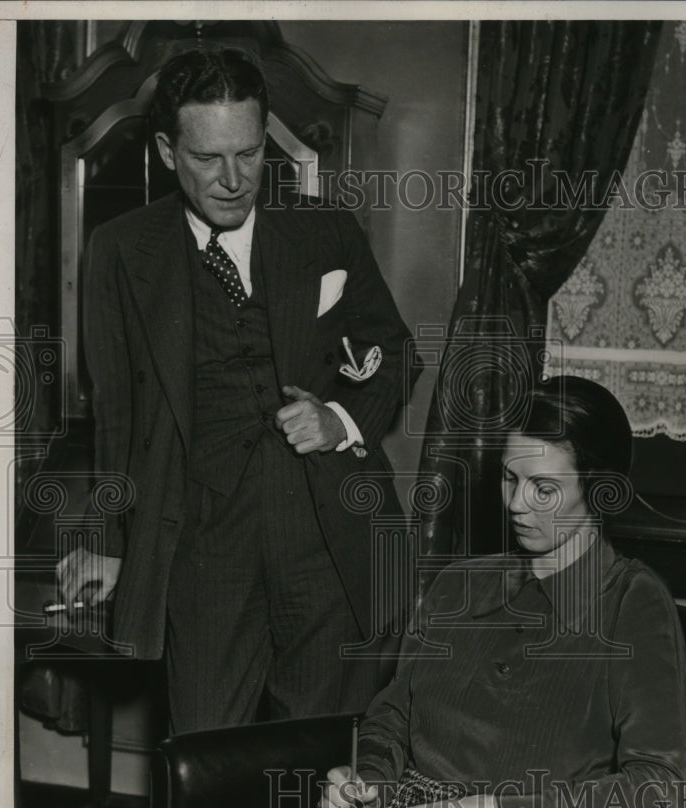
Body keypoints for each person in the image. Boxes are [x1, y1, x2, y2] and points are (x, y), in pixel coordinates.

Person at [131, 376, 686, 808]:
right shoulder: (462, 584)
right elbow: (391, 715)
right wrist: (367, 777)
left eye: (544, 488)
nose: (517, 504)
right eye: (509, 477)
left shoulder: (630, 601)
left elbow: (662, 790)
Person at [57, 48, 416, 733]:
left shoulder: (324, 229)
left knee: (316, 758)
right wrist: (108, 539)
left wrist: (339, 417)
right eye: (207, 158)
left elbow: (391, 349)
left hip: (323, 532)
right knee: (204, 749)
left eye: (248, 155)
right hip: (201, 538)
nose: (231, 180)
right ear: (168, 151)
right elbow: (115, 411)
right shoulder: (121, 248)